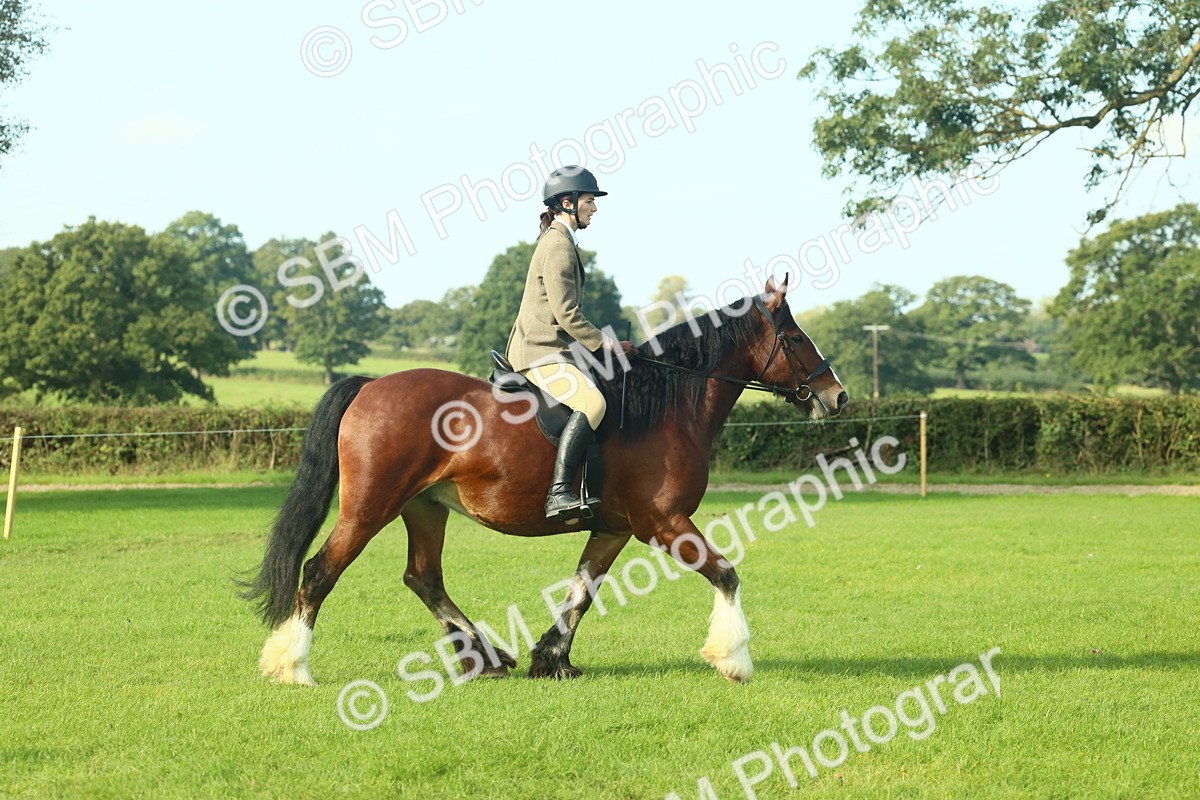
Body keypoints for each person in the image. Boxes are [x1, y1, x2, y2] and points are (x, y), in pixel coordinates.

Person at [505, 165, 638, 521]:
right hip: (540, 351)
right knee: (593, 403)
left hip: (553, 348)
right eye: (589, 201)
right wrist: (605, 345)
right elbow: (566, 313)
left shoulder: (561, 242)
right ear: (568, 202)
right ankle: (559, 493)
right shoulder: (559, 246)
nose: (594, 208)